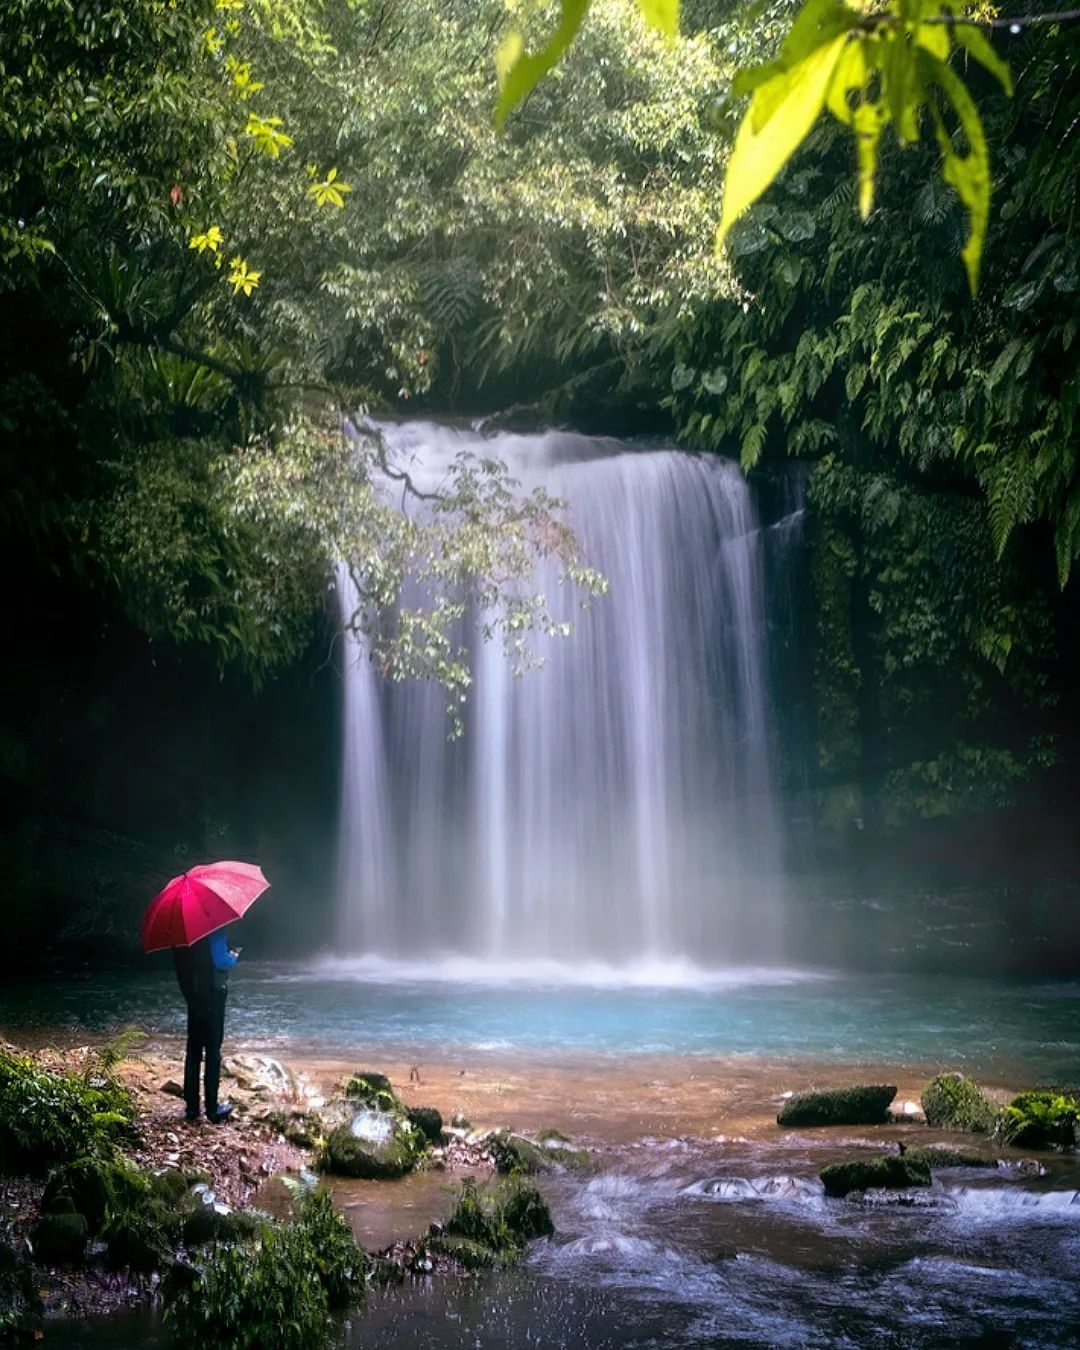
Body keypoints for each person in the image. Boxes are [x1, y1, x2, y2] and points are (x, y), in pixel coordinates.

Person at [173, 928, 239, 1123]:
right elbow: (221, 961)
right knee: (212, 1051)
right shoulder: (214, 929)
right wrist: (234, 955)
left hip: (193, 996)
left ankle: (192, 1107)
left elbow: (180, 967)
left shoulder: (181, 934)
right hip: (212, 995)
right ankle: (212, 1108)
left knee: (193, 1051)